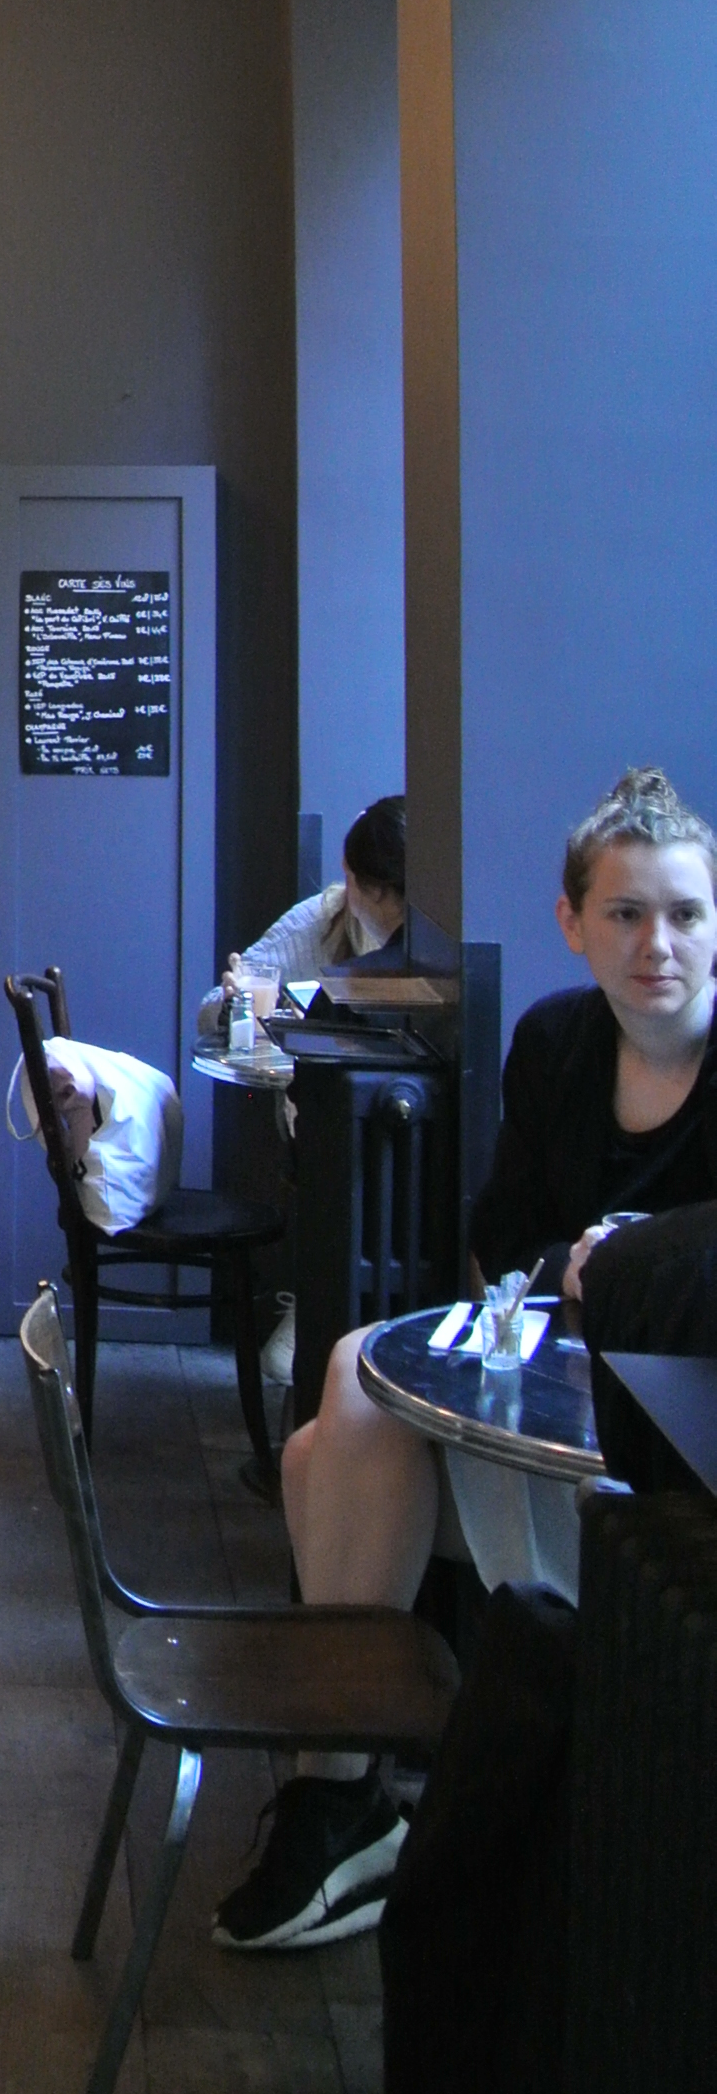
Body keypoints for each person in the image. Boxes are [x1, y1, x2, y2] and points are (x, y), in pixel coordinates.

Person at [213, 764, 717, 1952]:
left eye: (686, 913)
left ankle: (348, 1793)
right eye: (626, 912)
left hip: (674, 1450)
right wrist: (569, 1267)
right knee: (349, 1383)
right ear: (572, 922)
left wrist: (633, 1269)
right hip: (551, 1390)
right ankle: (354, 1792)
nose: (657, 944)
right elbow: (505, 1230)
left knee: (315, 1456)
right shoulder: (555, 1043)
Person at [195, 793, 408, 1042]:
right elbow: (210, 1010)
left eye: (350, 876)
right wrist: (230, 1007)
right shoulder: (320, 920)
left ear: (374, 888)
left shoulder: (345, 988)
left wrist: (307, 1032)